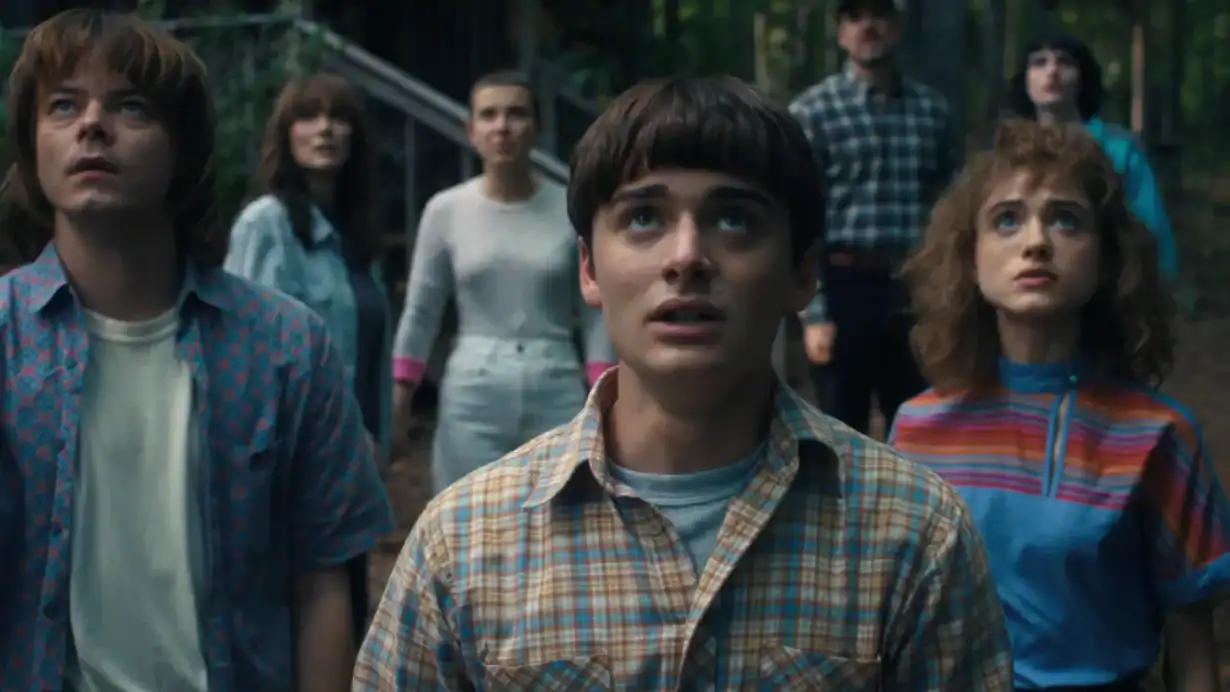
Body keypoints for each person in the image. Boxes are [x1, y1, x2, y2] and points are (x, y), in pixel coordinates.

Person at [355, 75, 1014, 690]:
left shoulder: (913, 532)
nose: (686, 257)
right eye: (644, 218)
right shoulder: (465, 541)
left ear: (801, 271)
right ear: (588, 267)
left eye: (734, 220)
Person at [0, 10, 393, 690]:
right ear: (32, 143)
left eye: (130, 106)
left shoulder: (287, 348)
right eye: (64, 105)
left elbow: (322, 583)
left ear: (182, 147)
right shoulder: (5, 339)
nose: (92, 124)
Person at [891, 119, 1229, 690]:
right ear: (970, 257)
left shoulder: (1157, 435)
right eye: (1007, 219)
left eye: (1065, 219)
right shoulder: (917, 428)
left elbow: (1193, 657)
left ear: (1106, 259)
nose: (1036, 242)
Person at [224, 73, 390, 649]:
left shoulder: (357, 235)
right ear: (286, 134)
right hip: (286, 464)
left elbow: (372, 352)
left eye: (338, 117)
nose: (325, 129)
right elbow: (240, 352)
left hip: (351, 466)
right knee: (299, 626)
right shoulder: (264, 224)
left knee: (347, 618)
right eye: (309, 116)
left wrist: (376, 438)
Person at [390, 70, 614, 494]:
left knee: (564, 516)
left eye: (516, 114)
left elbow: (595, 310)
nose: (503, 126)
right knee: (469, 517)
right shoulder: (447, 210)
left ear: (536, 127)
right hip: (474, 387)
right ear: (471, 130)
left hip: (557, 382)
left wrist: (605, 391)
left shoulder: (571, 207)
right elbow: (422, 308)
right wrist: (401, 395)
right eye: (489, 115)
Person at [788, 0, 957, 434]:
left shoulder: (932, 111)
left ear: (897, 27)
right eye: (855, 16)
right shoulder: (812, 112)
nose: (868, 26)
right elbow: (799, 215)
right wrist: (816, 313)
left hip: (915, 287)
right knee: (841, 423)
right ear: (841, 32)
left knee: (922, 416)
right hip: (844, 287)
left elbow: (951, 211)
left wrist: (947, 297)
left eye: (879, 15)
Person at [1008, 31, 1178, 279]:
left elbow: (1151, 229)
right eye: (1039, 62)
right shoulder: (1009, 152)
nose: (1052, 71)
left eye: (1064, 61)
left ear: (1081, 77)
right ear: (1025, 80)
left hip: (1106, 284)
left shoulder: (1118, 150)